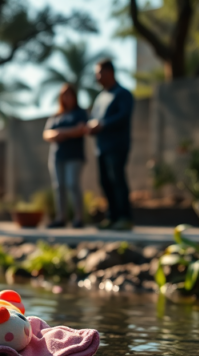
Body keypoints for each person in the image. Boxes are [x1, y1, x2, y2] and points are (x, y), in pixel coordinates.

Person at [87, 59, 135, 231]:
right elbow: (94, 118)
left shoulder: (123, 94)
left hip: (117, 145)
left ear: (110, 72)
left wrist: (103, 125)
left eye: (100, 73)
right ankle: (112, 217)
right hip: (101, 147)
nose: (97, 77)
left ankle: (124, 217)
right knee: (105, 182)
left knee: (117, 180)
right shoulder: (101, 97)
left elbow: (123, 116)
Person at [42, 84, 88, 229]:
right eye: (64, 95)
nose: (67, 98)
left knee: (72, 184)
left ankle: (78, 218)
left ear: (75, 96)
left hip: (74, 156)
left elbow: (80, 130)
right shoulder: (56, 116)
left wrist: (61, 132)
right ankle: (61, 218)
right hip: (57, 156)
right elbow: (47, 134)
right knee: (59, 186)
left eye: (69, 95)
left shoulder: (79, 113)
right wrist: (65, 132)